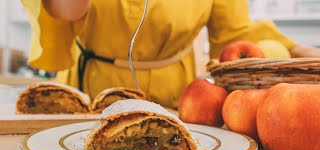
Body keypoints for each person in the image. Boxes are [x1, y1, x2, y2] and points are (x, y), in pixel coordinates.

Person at [22, 0, 320, 108]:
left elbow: (234, 35)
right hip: (89, 93)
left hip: (179, 100)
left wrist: (299, 51)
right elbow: (65, 10)